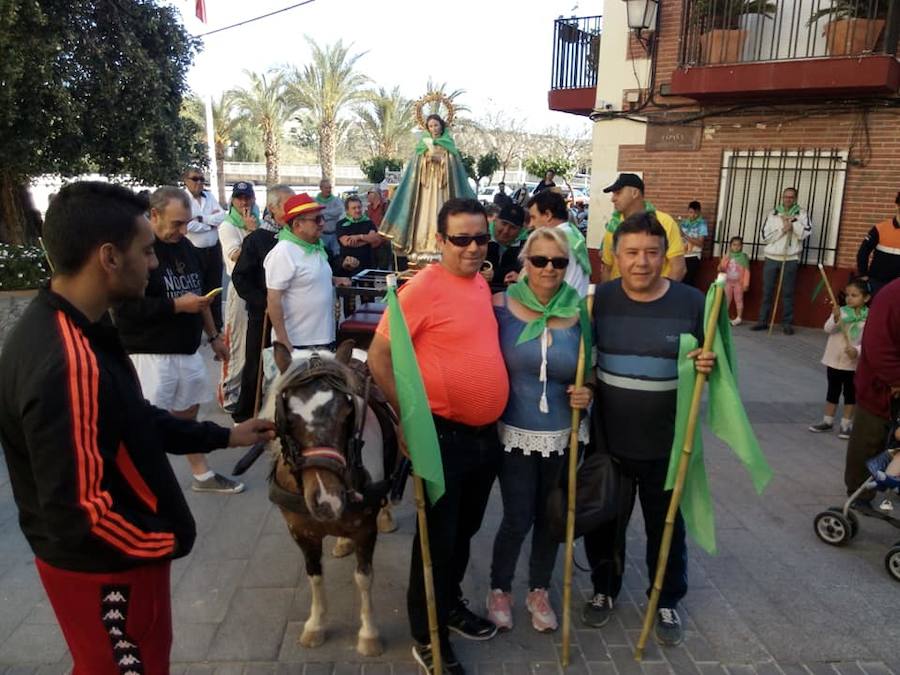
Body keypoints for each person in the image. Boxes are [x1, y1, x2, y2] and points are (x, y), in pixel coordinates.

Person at [0, 181, 275, 673]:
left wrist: (225, 436)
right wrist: (169, 538)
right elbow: (80, 515)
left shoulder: (80, 328)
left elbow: (136, 420)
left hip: (112, 564)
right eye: (145, 252)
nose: (152, 264)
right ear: (109, 257)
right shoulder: (68, 361)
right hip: (109, 573)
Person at [368, 198, 508, 674]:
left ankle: (447, 606)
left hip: (484, 438)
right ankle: (427, 636)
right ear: (441, 240)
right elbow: (379, 357)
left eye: (480, 238)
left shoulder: (479, 283)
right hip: (441, 436)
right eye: (461, 239)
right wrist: (407, 420)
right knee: (436, 541)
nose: (473, 247)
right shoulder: (423, 288)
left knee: (463, 532)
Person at [582, 211, 715, 648]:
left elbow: (714, 363)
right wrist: (582, 389)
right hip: (609, 442)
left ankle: (666, 598)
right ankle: (604, 589)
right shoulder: (598, 301)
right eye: (632, 252)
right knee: (606, 524)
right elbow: (582, 359)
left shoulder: (693, 303)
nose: (642, 262)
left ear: (666, 256)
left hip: (668, 443)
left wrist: (708, 364)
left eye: (652, 253)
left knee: (667, 528)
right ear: (615, 256)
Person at [486, 227, 593, 634]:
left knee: (550, 517)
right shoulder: (500, 305)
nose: (549, 268)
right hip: (513, 432)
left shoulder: (581, 311)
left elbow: (592, 369)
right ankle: (500, 588)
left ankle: (539, 590)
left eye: (559, 261)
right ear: (525, 262)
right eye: (540, 260)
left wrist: (587, 391)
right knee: (517, 517)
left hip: (563, 435)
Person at [113, 187, 245, 494]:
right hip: (149, 352)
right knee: (145, 421)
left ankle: (201, 475)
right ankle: (144, 483)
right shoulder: (139, 251)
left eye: (186, 222)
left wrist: (214, 336)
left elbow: (200, 297)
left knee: (187, 413)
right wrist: (176, 305)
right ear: (154, 215)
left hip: (187, 349)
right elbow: (125, 309)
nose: (184, 230)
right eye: (177, 223)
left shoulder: (186, 247)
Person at [230, 184, 295, 423]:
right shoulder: (257, 239)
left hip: (292, 315)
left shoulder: (298, 237)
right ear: (272, 208)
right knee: (256, 365)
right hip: (263, 314)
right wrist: (263, 302)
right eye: (287, 205)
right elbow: (240, 277)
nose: (292, 210)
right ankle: (246, 415)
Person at [380, 113, 476, 264]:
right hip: (425, 190)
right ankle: (421, 246)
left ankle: (441, 248)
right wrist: (426, 161)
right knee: (423, 216)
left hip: (442, 190)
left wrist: (441, 161)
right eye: (430, 126)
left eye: (436, 125)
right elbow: (414, 170)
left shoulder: (448, 145)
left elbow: (454, 169)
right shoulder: (422, 146)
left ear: (442, 126)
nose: (433, 128)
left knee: (441, 213)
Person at [264, 193, 349, 351]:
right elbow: (273, 299)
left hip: (322, 338)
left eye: (322, 218)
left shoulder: (315, 247)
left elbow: (308, 277)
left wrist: (334, 279)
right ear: (298, 225)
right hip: (298, 342)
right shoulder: (283, 252)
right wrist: (283, 340)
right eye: (317, 219)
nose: (322, 223)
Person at [843, 278, 900, 508]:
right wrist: (896, 379)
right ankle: (859, 494)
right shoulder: (892, 296)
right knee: (869, 440)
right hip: (880, 386)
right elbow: (877, 346)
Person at [217, 181, 261, 414]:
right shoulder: (228, 226)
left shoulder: (257, 221)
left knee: (251, 344)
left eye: (247, 197)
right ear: (233, 201)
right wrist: (252, 233)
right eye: (239, 198)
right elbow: (235, 256)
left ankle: (246, 391)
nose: (244, 202)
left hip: (256, 286)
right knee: (236, 343)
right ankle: (228, 393)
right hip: (239, 286)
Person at [808, 278, 870, 440]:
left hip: (852, 363)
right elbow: (827, 329)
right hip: (834, 360)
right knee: (833, 390)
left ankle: (846, 424)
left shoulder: (869, 318)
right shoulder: (841, 311)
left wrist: (857, 351)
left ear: (866, 298)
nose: (849, 298)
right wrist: (835, 319)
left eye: (854, 295)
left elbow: (869, 341)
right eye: (847, 295)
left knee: (850, 393)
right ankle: (827, 421)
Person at [599, 173, 686, 282]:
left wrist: (663, 292)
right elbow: (607, 269)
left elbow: (678, 268)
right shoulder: (613, 226)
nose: (613, 199)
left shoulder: (664, 222)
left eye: (618, 193)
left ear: (635, 193)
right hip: (619, 292)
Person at [750, 187, 812, 335]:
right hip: (772, 257)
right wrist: (782, 230)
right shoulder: (773, 213)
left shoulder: (801, 214)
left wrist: (793, 224)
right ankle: (763, 321)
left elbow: (805, 233)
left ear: (795, 198)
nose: (788, 199)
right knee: (767, 291)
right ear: (782, 197)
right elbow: (764, 237)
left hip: (790, 258)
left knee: (788, 292)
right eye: (786, 197)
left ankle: (787, 323)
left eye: (791, 197)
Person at [183, 167, 227, 330]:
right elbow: (188, 225)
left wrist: (202, 219)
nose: (199, 182)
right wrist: (210, 224)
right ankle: (198, 326)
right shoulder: (183, 199)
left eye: (202, 179)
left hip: (213, 249)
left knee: (215, 289)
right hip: (194, 251)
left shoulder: (209, 196)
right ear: (186, 181)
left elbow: (222, 217)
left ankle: (217, 325)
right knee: (196, 289)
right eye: (195, 179)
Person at [527, 190, 592, 298]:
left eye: (533, 217)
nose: (531, 224)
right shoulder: (573, 234)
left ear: (548, 215)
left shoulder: (555, 242)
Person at [856, 191, 900, 296]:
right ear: (897, 205)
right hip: (878, 283)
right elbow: (863, 252)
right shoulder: (880, 228)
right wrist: (863, 275)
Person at [485, 203, 527, 291]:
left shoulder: (526, 245)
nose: (506, 231)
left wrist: (496, 275)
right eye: (504, 223)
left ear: (520, 230)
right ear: (496, 220)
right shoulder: (482, 238)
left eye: (513, 227)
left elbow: (522, 268)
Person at [337, 195, 381, 276]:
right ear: (347, 210)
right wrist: (367, 239)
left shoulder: (369, 222)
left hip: (367, 265)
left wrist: (359, 237)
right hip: (349, 266)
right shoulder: (341, 224)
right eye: (354, 208)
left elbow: (375, 239)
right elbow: (347, 242)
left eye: (359, 207)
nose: (357, 210)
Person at [718, 236, 751, 326]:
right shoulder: (727, 256)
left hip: (738, 283)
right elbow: (721, 268)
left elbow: (747, 272)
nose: (736, 247)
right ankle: (725, 317)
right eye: (734, 245)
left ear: (741, 246)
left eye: (738, 245)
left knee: (738, 299)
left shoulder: (744, 257)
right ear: (730, 246)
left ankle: (739, 318)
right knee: (726, 300)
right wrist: (724, 261)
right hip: (728, 282)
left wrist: (746, 284)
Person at [680, 201, 708, 286]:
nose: (692, 215)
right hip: (681, 255)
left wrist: (685, 236)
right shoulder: (683, 223)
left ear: (699, 212)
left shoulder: (702, 224)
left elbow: (700, 243)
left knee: (688, 282)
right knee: (679, 281)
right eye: (690, 212)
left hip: (693, 256)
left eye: (695, 213)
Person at [315, 178, 345, 257]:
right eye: (326, 188)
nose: (329, 190)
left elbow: (339, 211)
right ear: (321, 188)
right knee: (323, 256)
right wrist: (331, 214)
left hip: (335, 234)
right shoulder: (315, 201)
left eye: (330, 187)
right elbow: (316, 215)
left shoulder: (336, 200)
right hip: (321, 235)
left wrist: (323, 213)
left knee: (337, 256)